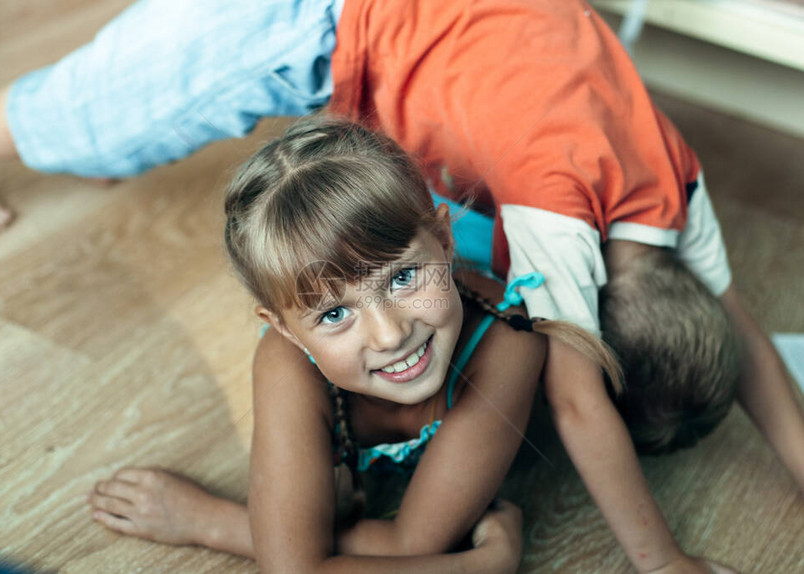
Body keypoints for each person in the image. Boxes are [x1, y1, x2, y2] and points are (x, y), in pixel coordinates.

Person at [88, 115, 735, 574]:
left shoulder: (510, 346)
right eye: (335, 314)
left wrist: (221, 525)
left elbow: (407, 545)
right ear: (283, 327)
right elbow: (299, 567)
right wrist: (482, 566)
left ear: (445, 242)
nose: (391, 332)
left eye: (403, 277)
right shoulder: (286, 359)